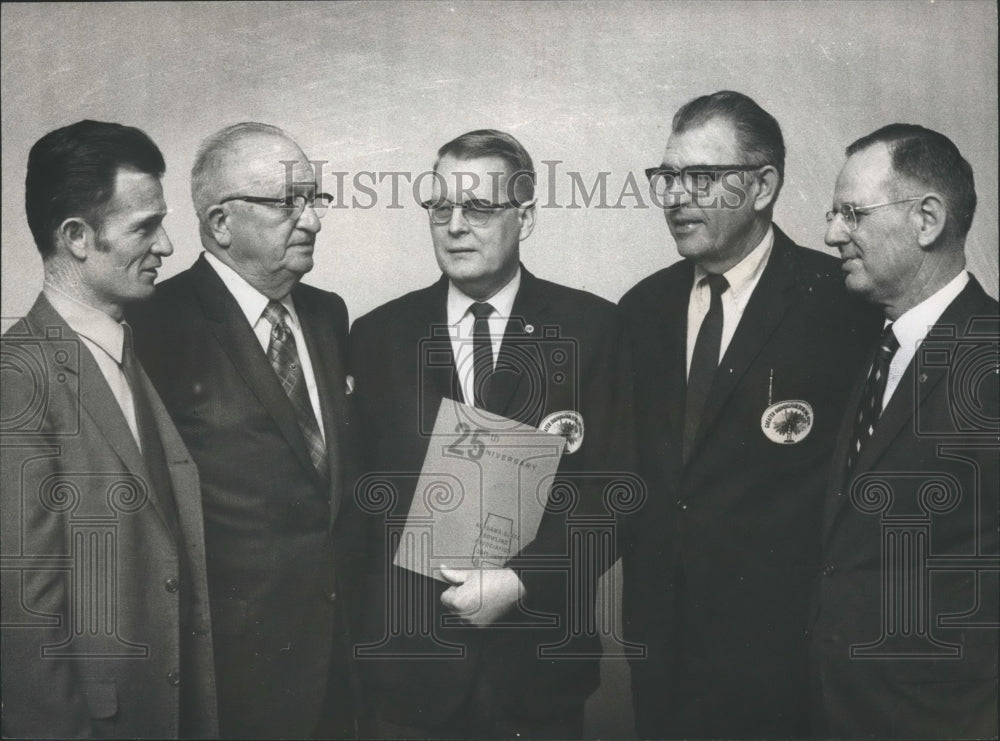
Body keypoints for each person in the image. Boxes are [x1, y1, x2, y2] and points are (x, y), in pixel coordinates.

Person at [349, 129, 635, 738]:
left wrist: (523, 579)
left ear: (525, 217)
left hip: (536, 668)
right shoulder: (375, 337)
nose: (454, 225)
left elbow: (618, 493)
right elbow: (354, 506)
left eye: (478, 207)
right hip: (409, 670)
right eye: (440, 206)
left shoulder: (593, 329)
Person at [618, 91, 881, 738]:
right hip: (660, 649)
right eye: (667, 177)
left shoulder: (841, 305)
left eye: (700, 178)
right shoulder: (641, 310)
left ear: (763, 185)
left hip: (787, 658)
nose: (676, 196)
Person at [127, 122, 361, 739]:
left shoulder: (328, 313)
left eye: (315, 199)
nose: (311, 220)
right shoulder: (152, 324)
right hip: (228, 674)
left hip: (340, 664)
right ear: (221, 223)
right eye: (288, 202)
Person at [0, 120, 217, 737]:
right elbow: (26, 620)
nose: (169, 245)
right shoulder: (17, 377)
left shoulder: (130, 351)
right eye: (144, 226)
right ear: (75, 236)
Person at [810, 123, 998, 739]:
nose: (832, 234)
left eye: (852, 214)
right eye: (833, 214)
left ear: (926, 220)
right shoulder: (879, 348)